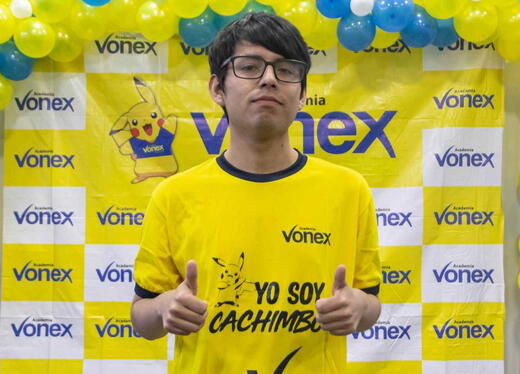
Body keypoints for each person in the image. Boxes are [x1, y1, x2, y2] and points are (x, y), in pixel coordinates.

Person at [131, 12, 381, 374]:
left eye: (286, 70)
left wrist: (358, 308)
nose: (268, 79)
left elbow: (371, 303)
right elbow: (142, 317)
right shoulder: (174, 194)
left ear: (303, 93)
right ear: (217, 88)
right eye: (249, 67)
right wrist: (162, 308)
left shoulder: (349, 190)